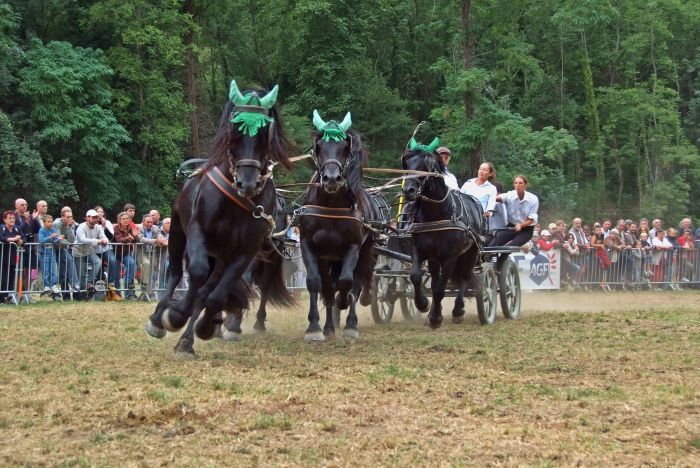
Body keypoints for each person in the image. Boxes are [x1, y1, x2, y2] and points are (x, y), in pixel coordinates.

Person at [488, 175, 539, 247]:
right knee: (492, 245)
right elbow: (497, 198)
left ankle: (502, 257)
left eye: (520, 183)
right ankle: (488, 257)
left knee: (509, 247)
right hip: (512, 226)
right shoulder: (510, 195)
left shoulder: (533, 199)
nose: (518, 185)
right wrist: (486, 197)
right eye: (516, 183)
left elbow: (531, 219)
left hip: (526, 230)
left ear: (525, 185)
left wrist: (521, 225)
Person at [72, 209, 109, 299]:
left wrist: (105, 240)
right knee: (81, 274)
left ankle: (89, 283)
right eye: (93, 217)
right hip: (78, 252)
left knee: (98, 262)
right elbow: (83, 240)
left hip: (89, 251)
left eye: (96, 217)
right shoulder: (81, 227)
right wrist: (98, 241)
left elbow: (104, 237)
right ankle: (81, 295)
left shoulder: (98, 227)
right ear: (87, 218)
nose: (95, 219)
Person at [53, 207, 81, 299]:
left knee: (64, 270)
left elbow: (72, 240)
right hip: (54, 249)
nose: (70, 219)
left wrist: (69, 228)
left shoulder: (71, 225)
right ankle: (75, 285)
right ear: (62, 217)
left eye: (71, 217)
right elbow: (58, 240)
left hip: (63, 249)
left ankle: (67, 295)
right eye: (67, 217)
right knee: (65, 267)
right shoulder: (57, 224)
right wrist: (67, 241)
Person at [94, 206, 121, 301]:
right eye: (98, 211)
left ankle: (111, 284)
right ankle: (99, 293)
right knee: (99, 269)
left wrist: (104, 226)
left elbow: (111, 237)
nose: (100, 213)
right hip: (96, 250)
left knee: (112, 261)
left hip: (107, 249)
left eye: (101, 212)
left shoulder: (108, 223)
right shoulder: (92, 223)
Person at [0, 211, 24, 304]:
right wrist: (13, 239)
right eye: (10, 218)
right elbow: (1, 237)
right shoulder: (1, 228)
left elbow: (23, 239)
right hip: (3, 256)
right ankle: (2, 298)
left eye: (13, 218)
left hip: (14, 257)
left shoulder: (17, 228)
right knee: (3, 277)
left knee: (11, 277)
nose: (12, 220)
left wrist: (20, 241)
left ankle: (9, 297)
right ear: (5, 219)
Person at [113, 212, 139, 299]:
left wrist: (135, 236)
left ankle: (128, 284)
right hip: (115, 253)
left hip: (126, 253)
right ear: (119, 220)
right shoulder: (116, 229)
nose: (125, 220)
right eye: (123, 219)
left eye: (127, 218)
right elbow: (119, 239)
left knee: (132, 264)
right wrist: (128, 238)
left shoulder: (131, 229)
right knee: (116, 274)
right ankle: (117, 294)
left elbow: (135, 241)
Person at [136, 214, 162, 299]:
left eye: (152, 222)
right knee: (146, 264)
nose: (150, 223)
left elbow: (160, 237)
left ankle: (148, 292)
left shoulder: (156, 228)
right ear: (143, 222)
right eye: (148, 222)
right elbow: (142, 239)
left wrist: (162, 240)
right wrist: (155, 241)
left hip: (152, 252)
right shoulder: (138, 228)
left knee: (152, 270)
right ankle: (144, 285)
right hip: (142, 252)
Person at [37, 214, 63, 298]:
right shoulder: (42, 230)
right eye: (48, 222)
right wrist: (50, 237)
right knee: (46, 270)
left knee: (54, 270)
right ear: (44, 222)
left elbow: (55, 240)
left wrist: (59, 238)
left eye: (51, 221)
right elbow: (41, 241)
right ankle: (46, 286)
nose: (51, 223)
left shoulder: (53, 229)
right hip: (44, 253)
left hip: (52, 252)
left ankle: (54, 284)